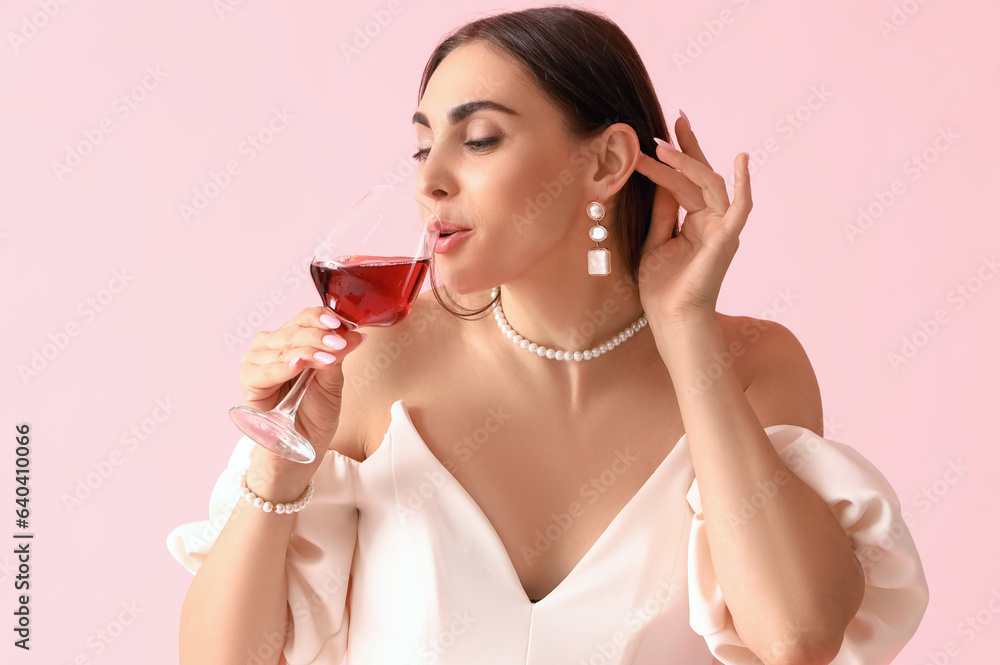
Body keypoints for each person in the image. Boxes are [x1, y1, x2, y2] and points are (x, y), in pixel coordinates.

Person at [167, 6, 929, 664]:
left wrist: (685, 328)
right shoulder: (376, 360)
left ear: (605, 162)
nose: (428, 179)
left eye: (480, 139)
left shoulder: (752, 364)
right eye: (422, 144)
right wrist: (280, 464)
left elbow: (795, 637)